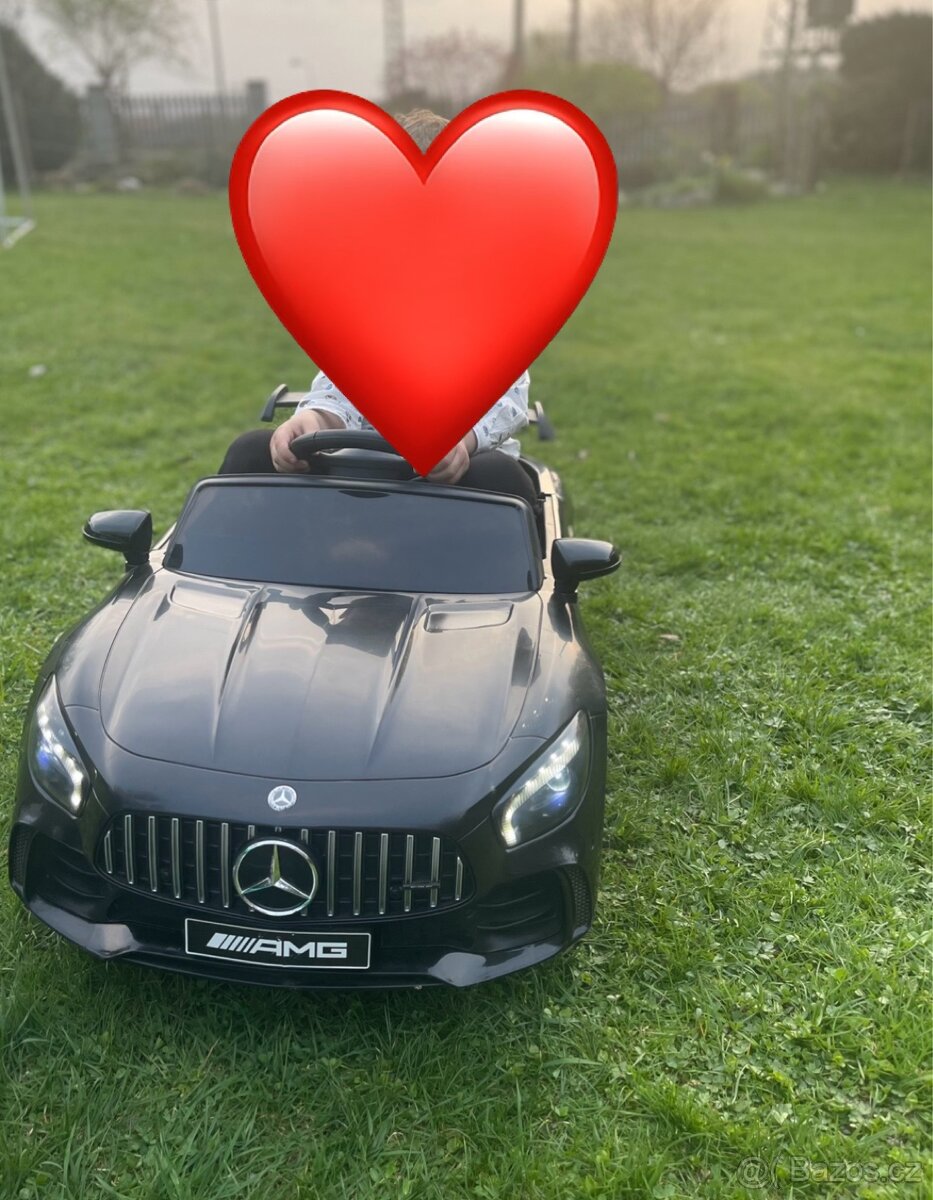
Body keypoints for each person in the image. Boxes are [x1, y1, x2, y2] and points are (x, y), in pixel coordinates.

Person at [219, 109, 537, 508]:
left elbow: (506, 400)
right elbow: (340, 392)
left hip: (455, 472)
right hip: (359, 465)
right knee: (251, 450)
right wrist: (312, 421)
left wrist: (463, 440)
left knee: (499, 476)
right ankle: (236, 541)